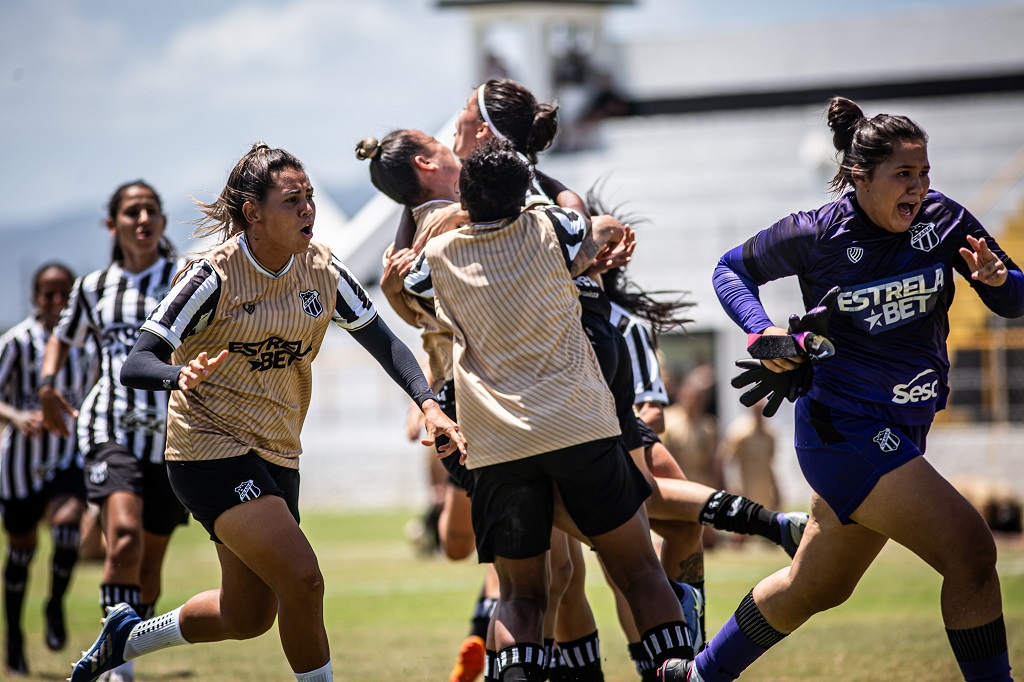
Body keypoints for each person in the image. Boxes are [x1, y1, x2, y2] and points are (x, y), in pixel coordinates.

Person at [67, 142, 466, 682]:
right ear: (252, 213)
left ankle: (127, 638)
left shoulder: (322, 268)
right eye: (292, 200)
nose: (308, 209)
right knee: (304, 580)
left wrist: (429, 404)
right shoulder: (214, 275)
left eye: (310, 197)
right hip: (208, 450)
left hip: (278, 450)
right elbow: (138, 362)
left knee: (247, 615)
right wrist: (178, 375)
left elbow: (386, 343)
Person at [672, 97, 1023, 682]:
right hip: (843, 430)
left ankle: (698, 675)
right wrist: (763, 330)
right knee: (971, 552)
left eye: (924, 172)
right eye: (903, 174)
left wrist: (998, 280)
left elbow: (1014, 299)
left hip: (903, 426)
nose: (918, 187)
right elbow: (730, 269)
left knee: (815, 586)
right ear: (860, 177)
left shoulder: (944, 219)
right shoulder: (817, 232)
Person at [423, 138, 693, 681]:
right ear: (523, 197)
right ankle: (678, 671)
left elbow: (405, 285)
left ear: (465, 202)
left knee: (521, 595)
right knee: (639, 572)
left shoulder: (437, 256)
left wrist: (451, 216)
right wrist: (602, 233)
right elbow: (590, 224)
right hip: (578, 425)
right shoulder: (551, 229)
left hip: (497, 442)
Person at [40, 180, 189, 682]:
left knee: (149, 569)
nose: (142, 219)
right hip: (110, 427)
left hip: (172, 438)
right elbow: (61, 339)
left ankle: (121, 649)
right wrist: (47, 385)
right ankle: (118, 670)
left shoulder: (185, 278)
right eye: (131, 211)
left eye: (151, 210)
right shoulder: (92, 287)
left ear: (162, 221)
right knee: (122, 539)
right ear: (113, 224)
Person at [0, 263, 92, 676]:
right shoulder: (17, 343)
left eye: (64, 293)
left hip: (67, 458)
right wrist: (18, 417)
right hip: (20, 465)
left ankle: (55, 604)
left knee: (68, 525)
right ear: (35, 298)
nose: (56, 301)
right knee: (21, 552)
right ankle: (14, 639)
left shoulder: (85, 344)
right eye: (48, 293)